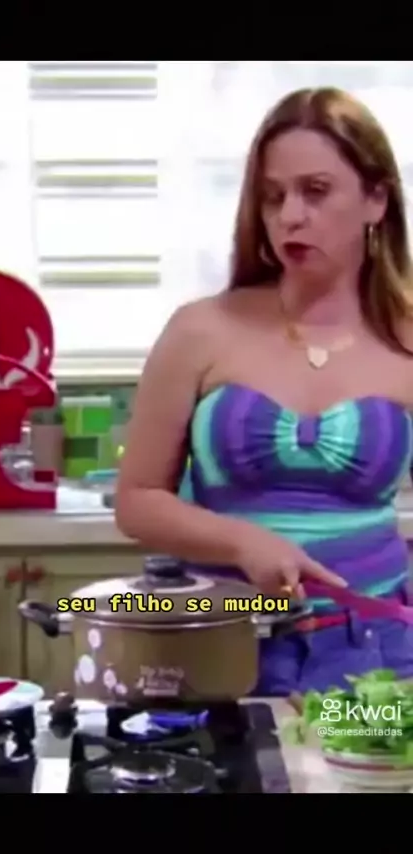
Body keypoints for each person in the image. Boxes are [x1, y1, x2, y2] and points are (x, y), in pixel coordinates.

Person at [115, 86, 413, 696]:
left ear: (376, 199)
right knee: (233, 755)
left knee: (356, 754)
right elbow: (137, 500)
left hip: (375, 655)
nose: (290, 217)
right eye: (274, 197)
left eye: (316, 191)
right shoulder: (201, 330)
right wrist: (242, 541)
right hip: (220, 645)